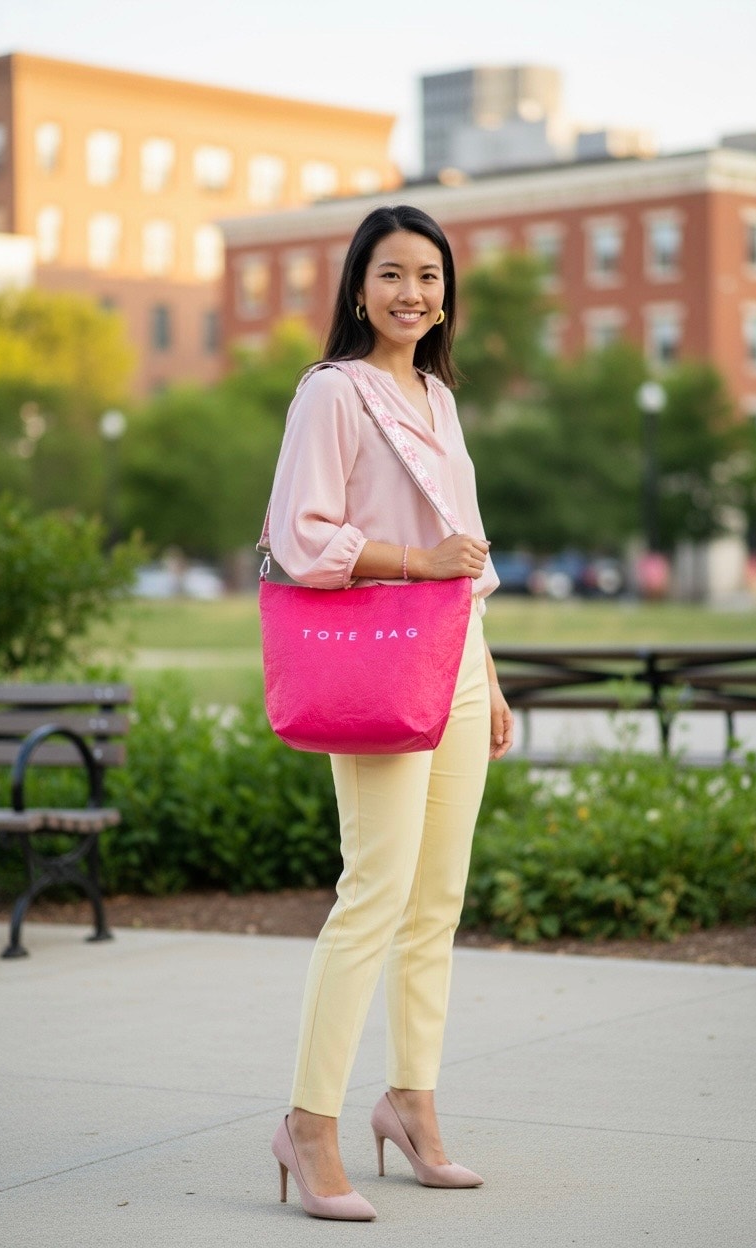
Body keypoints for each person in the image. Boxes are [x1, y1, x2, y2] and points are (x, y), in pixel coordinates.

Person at [263, 204, 514, 1222]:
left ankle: (411, 1103)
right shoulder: (333, 393)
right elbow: (300, 535)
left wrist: (487, 672)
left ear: (446, 296)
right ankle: (308, 1123)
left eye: (429, 276)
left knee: (435, 900)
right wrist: (415, 562)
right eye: (392, 274)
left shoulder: (438, 399)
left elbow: (470, 555)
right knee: (373, 892)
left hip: (455, 661)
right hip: (381, 665)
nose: (413, 292)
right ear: (359, 290)